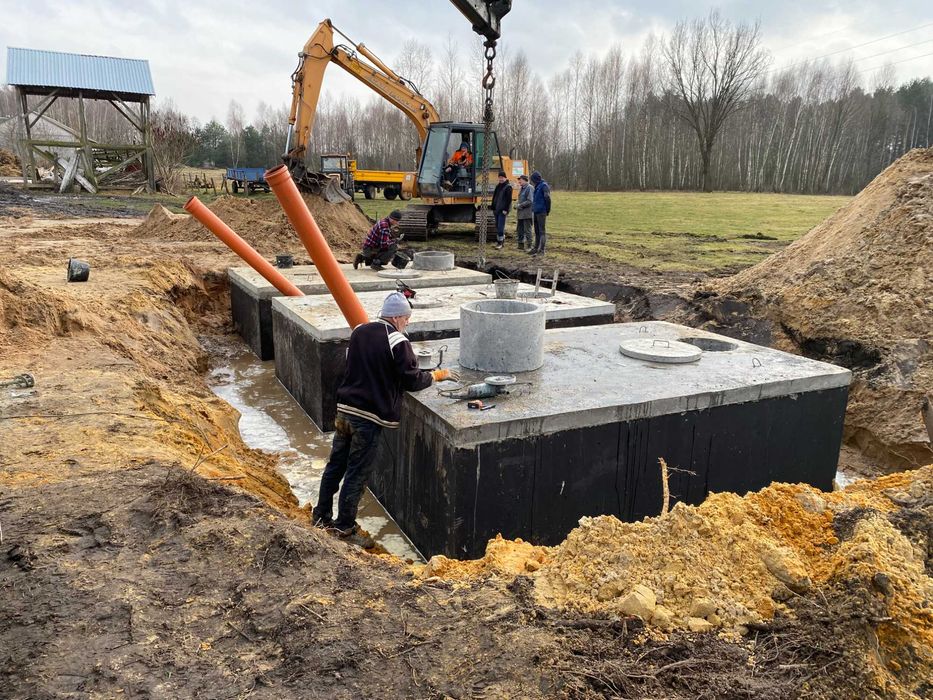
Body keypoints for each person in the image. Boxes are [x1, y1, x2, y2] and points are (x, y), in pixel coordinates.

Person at [312, 292, 458, 548]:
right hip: (368, 418)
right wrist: (437, 375)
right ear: (398, 317)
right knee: (357, 472)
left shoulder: (359, 331)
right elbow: (411, 380)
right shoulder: (397, 340)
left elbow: (355, 363)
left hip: (345, 411)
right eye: (407, 319)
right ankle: (344, 528)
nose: (408, 324)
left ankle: (321, 517)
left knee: (335, 465)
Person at [529, 170, 551, 256]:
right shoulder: (538, 186)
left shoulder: (544, 186)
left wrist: (547, 210)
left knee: (542, 231)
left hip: (541, 211)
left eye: (532, 180)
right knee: (537, 231)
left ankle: (542, 250)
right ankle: (535, 248)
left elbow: (547, 198)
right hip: (536, 211)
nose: (532, 182)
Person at [491, 171, 513, 250]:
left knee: (500, 227)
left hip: (502, 210)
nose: (500, 179)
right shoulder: (498, 186)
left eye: (502, 177)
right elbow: (495, 197)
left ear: (505, 178)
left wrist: (506, 209)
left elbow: (508, 200)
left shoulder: (508, 187)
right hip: (496, 209)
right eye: (499, 177)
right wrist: (493, 206)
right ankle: (500, 241)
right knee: (497, 226)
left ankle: (500, 243)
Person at [515, 174, 533, 251]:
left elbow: (530, 201)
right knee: (520, 230)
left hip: (527, 214)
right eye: (519, 179)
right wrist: (517, 205)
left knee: (527, 230)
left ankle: (529, 246)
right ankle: (520, 245)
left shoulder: (530, 188)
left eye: (520, 179)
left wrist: (520, 205)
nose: (519, 181)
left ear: (525, 180)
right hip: (520, 214)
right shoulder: (522, 188)